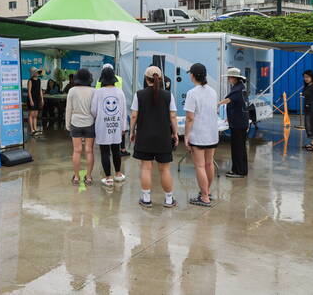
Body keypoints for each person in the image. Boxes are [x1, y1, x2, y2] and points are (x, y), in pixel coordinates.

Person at [130, 66, 179, 209]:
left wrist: (132, 132)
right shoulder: (168, 95)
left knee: (146, 168)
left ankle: (146, 199)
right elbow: (173, 116)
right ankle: (169, 200)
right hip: (163, 137)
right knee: (165, 169)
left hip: (144, 136)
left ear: (146, 79)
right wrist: (175, 133)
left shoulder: (138, 95)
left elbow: (134, 115)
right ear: (161, 78)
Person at [184, 63, 219, 207]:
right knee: (209, 163)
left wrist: (186, 136)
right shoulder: (213, 91)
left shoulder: (192, 93)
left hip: (198, 134)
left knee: (199, 166)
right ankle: (207, 191)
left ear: (192, 75)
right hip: (212, 133)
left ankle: (204, 197)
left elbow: (189, 118)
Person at [92, 65, 127, 185]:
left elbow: (93, 110)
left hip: (102, 125)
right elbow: (123, 111)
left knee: (105, 151)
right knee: (116, 150)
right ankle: (118, 174)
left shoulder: (98, 92)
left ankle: (108, 178)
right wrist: (124, 127)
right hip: (116, 125)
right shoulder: (120, 92)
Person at [65, 69, 96, 185]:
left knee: (77, 151)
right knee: (89, 151)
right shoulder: (94, 91)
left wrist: (68, 125)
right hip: (90, 123)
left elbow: (68, 109)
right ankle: (88, 177)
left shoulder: (72, 91)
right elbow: (95, 109)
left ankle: (77, 177)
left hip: (75, 123)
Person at [218, 67, 249, 178]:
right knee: (240, 148)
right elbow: (238, 105)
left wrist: (217, 104)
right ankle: (241, 170)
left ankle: (239, 171)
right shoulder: (240, 87)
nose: (228, 80)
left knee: (237, 148)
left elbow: (229, 100)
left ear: (234, 78)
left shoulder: (238, 89)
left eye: (229, 78)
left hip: (238, 124)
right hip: (240, 121)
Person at [27, 67, 44, 137]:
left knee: (36, 115)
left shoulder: (39, 80)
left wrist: (42, 99)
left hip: (37, 99)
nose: (37, 73)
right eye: (36, 72)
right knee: (31, 114)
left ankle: (35, 128)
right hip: (32, 99)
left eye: (38, 72)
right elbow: (29, 91)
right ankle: (32, 130)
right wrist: (31, 100)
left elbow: (40, 90)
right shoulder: (30, 81)